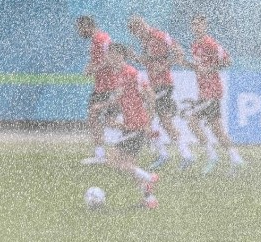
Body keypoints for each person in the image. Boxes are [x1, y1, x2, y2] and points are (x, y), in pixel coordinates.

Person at [93, 43, 160, 209]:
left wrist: (148, 122)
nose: (110, 57)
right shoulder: (118, 74)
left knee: (113, 161)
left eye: (113, 54)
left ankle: (149, 177)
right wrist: (103, 107)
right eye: (109, 55)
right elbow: (120, 96)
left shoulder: (131, 72)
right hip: (130, 126)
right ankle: (150, 200)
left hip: (137, 127)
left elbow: (150, 95)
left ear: (121, 56)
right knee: (130, 167)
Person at [127, 16, 194, 170]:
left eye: (139, 30)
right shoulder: (145, 42)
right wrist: (135, 57)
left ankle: (181, 154)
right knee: (159, 121)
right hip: (154, 86)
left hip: (163, 85)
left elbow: (179, 53)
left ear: (143, 26)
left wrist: (164, 67)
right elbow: (149, 62)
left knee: (153, 120)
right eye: (136, 34)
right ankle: (171, 154)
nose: (138, 35)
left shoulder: (160, 36)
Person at [184, 15, 245, 175]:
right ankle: (235, 158)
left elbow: (228, 61)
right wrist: (184, 63)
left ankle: (212, 155)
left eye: (199, 24)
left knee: (191, 119)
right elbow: (199, 68)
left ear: (205, 26)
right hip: (205, 91)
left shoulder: (209, 43)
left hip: (212, 92)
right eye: (194, 25)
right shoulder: (195, 45)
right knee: (218, 130)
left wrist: (210, 70)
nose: (196, 27)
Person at [77, 16, 115, 165]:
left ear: (87, 26)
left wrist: (93, 68)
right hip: (101, 86)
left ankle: (139, 132)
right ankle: (100, 155)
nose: (79, 32)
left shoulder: (102, 38)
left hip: (109, 86)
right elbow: (100, 60)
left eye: (80, 28)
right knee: (95, 118)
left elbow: (111, 59)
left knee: (104, 120)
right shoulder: (95, 40)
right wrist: (91, 66)